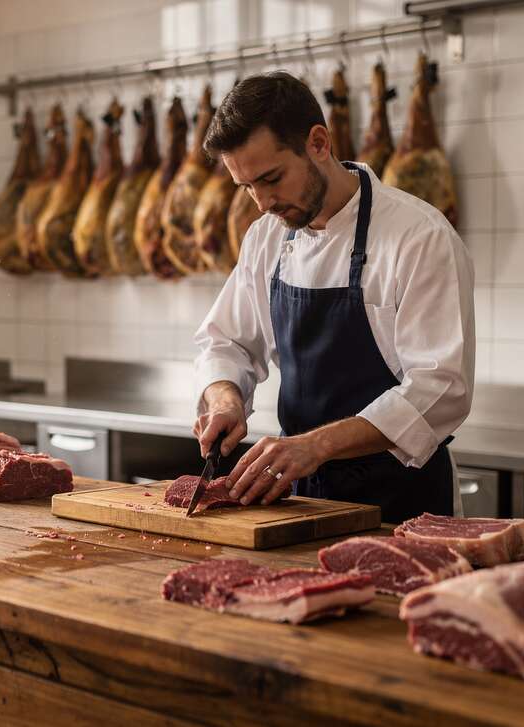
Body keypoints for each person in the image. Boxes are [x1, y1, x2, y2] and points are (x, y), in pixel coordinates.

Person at [191, 71, 474, 523]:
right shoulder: (267, 237)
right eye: (246, 187)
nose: (261, 202)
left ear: (318, 143)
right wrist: (225, 399)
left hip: (400, 507)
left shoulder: (418, 236)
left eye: (272, 178)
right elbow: (227, 343)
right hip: (299, 500)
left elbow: (440, 389)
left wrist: (316, 446)